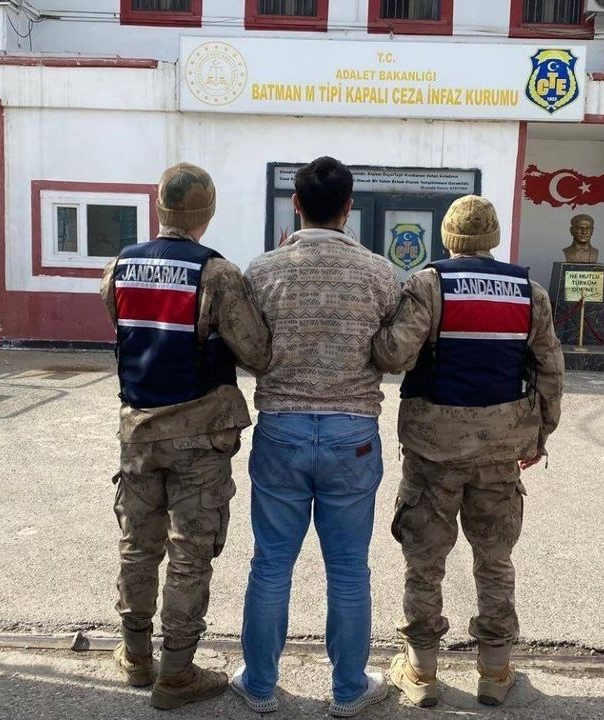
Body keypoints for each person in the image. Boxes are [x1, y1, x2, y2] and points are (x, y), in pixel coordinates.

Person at [372, 194, 564, 707]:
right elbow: (550, 368)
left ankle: (421, 671)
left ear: (447, 238)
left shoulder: (428, 285)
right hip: (502, 448)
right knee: (495, 558)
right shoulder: (530, 293)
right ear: (493, 238)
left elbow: (394, 354)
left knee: (424, 561)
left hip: (432, 449)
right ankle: (495, 672)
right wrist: (540, 434)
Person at [231, 156, 400, 717]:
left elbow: (250, 352)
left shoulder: (263, 270)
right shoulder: (380, 273)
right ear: (349, 207)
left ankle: (259, 686)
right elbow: (393, 353)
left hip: (282, 429)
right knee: (349, 568)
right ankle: (349, 690)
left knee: (270, 564)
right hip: (353, 433)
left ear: (296, 204)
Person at [99, 163, 271, 710]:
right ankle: (176, 672)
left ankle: (135, 655)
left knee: (138, 544)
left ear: (159, 208)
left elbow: (122, 324)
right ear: (208, 213)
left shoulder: (120, 266)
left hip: (138, 432)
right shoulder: (216, 274)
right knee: (190, 553)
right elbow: (258, 352)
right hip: (199, 435)